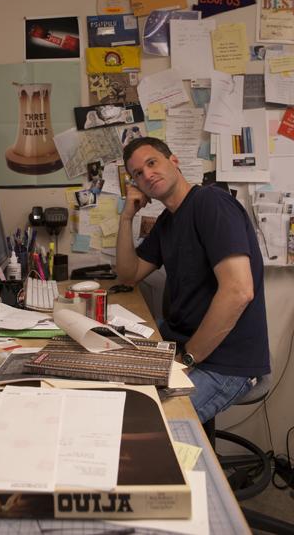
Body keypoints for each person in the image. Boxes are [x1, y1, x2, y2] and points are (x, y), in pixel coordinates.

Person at [116, 137, 270, 423]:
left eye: (152, 163)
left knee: (154, 427)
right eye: (137, 173)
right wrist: (126, 217)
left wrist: (187, 360)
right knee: (117, 388)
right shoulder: (167, 222)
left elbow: (238, 292)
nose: (147, 175)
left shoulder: (210, 202)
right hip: (182, 343)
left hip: (225, 360)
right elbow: (128, 274)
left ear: (173, 161)